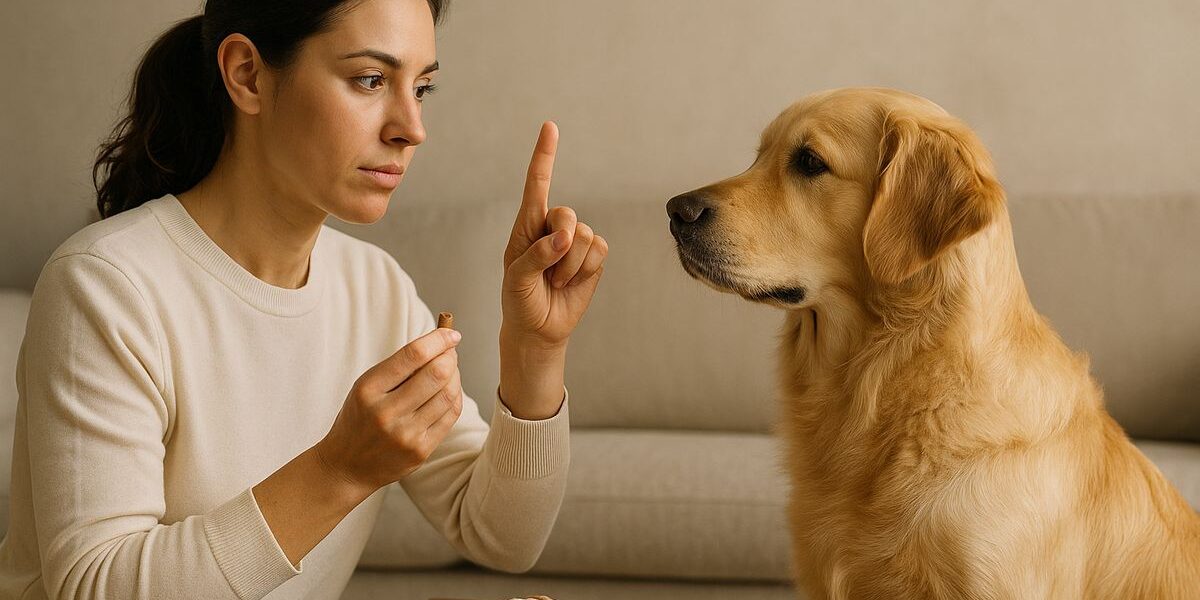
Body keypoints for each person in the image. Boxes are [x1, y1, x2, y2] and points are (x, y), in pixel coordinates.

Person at [0, 0, 608, 598]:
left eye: (421, 89)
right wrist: (339, 470)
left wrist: (535, 350)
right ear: (248, 74)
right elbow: (93, 586)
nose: (412, 129)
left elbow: (504, 537)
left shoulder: (376, 288)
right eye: (370, 80)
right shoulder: (105, 284)